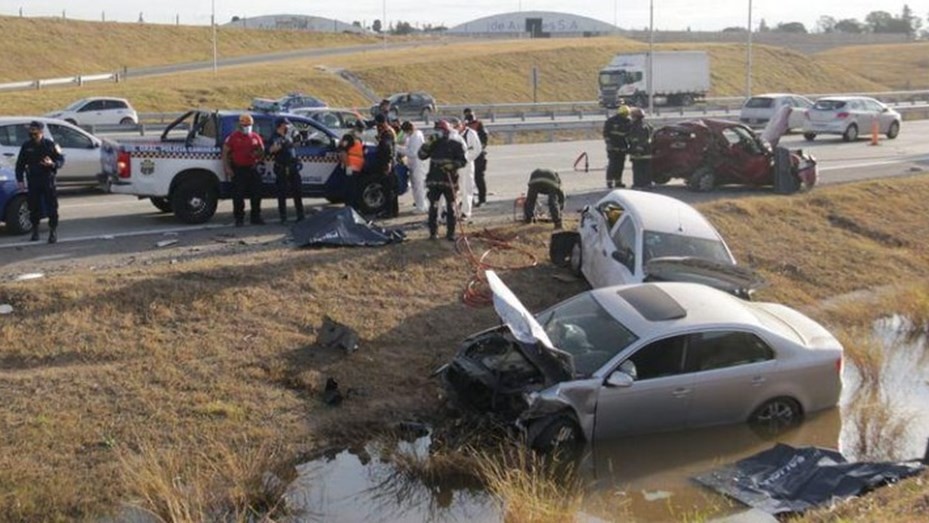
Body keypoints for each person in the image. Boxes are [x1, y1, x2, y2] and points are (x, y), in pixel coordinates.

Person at [15, 120, 65, 243]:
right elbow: (20, 164)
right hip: (33, 181)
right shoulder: (26, 146)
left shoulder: (50, 145)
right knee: (33, 207)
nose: (32, 135)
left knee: (52, 207)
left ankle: (53, 231)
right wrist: (20, 180)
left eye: (35, 133)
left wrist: (52, 164)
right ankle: (35, 231)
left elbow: (61, 160)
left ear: (41, 132)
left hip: (48, 180)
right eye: (31, 133)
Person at [418, 120, 467, 241]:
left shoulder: (455, 144)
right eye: (436, 131)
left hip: (449, 182)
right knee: (433, 208)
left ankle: (451, 233)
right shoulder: (433, 144)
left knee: (451, 208)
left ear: (446, 131)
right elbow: (421, 155)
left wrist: (453, 165)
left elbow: (463, 161)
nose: (438, 133)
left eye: (440, 130)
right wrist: (428, 143)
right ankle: (433, 233)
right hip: (434, 181)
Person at [222, 113, 265, 226]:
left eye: (249, 125)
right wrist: (227, 167)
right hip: (238, 169)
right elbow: (225, 152)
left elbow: (261, 151)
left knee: (256, 194)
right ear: (240, 125)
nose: (247, 127)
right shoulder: (233, 137)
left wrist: (258, 154)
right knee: (238, 195)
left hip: (252, 168)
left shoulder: (256, 137)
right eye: (245, 125)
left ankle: (255, 217)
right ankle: (239, 218)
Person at [267, 117, 304, 223]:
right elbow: (271, 150)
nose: (287, 126)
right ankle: (283, 217)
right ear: (281, 125)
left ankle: (300, 215)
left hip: (293, 167)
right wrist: (280, 144)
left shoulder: (288, 135)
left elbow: (294, 146)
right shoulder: (275, 137)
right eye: (285, 124)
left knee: (297, 191)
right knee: (282, 193)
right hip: (282, 168)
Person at [452, 117, 482, 220]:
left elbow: (477, 149)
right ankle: (453, 211)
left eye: (457, 126)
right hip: (456, 166)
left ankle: (466, 212)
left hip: (467, 165)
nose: (456, 129)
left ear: (461, 125)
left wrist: (466, 158)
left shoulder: (471, 133)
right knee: (456, 189)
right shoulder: (454, 135)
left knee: (467, 188)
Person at [372, 114, 399, 218]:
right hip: (391, 163)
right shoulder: (389, 131)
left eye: (378, 124)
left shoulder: (386, 133)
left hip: (387, 164)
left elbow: (388, 148)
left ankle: (388, 212)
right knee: (392, 188)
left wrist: (387, 163)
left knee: (388, 189)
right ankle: (394, 211)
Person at [399, 121, 428, 213]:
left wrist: (398, 149)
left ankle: (421, 207)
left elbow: (412, 153)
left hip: (418, 164)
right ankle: (421, 205)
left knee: (418, 186)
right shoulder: (411, 136)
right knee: (416, 186)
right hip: (413, 163)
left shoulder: (416, 136)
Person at [463, 108, 489, 206]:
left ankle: (482, 199)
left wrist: (479, 149)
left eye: (469, 114)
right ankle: (470, 199)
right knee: (468, 179)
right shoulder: (465, 126)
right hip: (468, 155)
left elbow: (484, 139)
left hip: (479, 155)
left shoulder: (478, 124)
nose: (468, 116)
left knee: (479, 178)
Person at [338, 120, 366, 210]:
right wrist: (348, 166)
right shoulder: (348, 137)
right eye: (360, 129)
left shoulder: (358, 138)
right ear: (355, 128)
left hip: (357, 168)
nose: (361, 132)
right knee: (350, 189)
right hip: (350, 167)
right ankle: (349, 208)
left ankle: (353, 207)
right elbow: (342, 151)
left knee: (354, 189)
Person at [602, 103, 631, 189]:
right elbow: (606, 134)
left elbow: (629, 135)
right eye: (624, 115)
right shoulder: (611, 121)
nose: (625, 117)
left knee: (620, 165)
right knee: (612, 165)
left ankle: (618, 182)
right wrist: (609, 144)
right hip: (613, 146)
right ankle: (609, 182)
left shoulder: (628, 122)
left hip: (622, 147)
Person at [627, 107, 654, 189]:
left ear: (636, 117)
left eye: (632, 116)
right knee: (646, 169)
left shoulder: (637, 126)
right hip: (647, 151)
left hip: (639, 152)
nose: (631, 118)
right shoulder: (647, 124)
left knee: (638, 169)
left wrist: (637, 150)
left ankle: (638, 185)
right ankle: (647, 184)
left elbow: (640, 139)